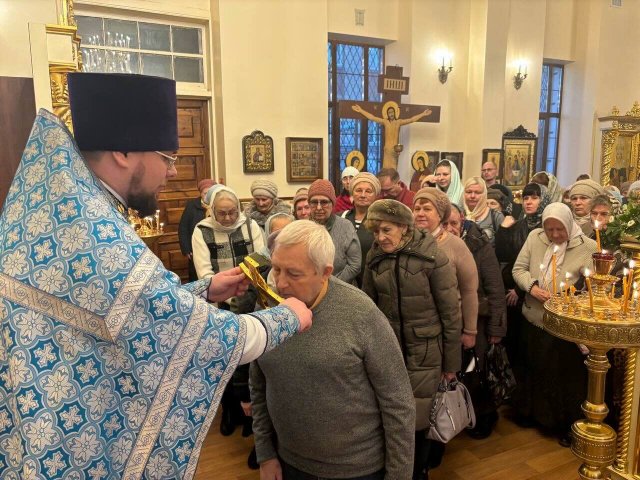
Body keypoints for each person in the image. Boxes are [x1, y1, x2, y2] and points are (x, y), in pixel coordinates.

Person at [0, 72, 312, 478]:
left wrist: (203, 290)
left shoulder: (68, 208)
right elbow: (201, 337)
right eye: (167, 157)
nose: (170, 172)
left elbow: (122, 310)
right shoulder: (95, 229)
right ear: (124, 152)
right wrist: (289, 316)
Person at [251, 220, 415, 480]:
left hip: (356, 470)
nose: (280, 284)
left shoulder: (361, 313)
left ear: (325, 272)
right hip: (289, 462)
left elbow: (398, 403)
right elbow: (259, 384)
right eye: (276, 269)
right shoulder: (268, 307)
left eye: (293, 274)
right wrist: (265, 453)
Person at [362, 199, 461, 479]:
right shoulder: (375, 256)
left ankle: (419, 471)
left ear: (404, 228)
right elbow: (368, 305)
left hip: (425, 350)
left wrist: (451, 363)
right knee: (390, 413)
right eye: (376, 232)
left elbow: (451, 314)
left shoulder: (432, 257)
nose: (380, 238)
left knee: (418, 419)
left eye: (387, 230)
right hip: (388, 349)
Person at [512, 203, 596, 445]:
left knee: (562, 377)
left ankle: (564, 425)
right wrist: (533, 287)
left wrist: (573, 293)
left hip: (564, 324)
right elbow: (519, 269)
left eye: (560, 229)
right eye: (550, 229)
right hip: (535, 317)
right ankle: (532, 415)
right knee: (534, 369)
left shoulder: (587, 246)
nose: (555, 235)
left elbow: (594, 285)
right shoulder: (535, 238)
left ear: (569, 224)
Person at [443, 203, 507, 439]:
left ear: (462, 222)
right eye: (444, 223)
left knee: (476, 371)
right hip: (448, 322)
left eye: (454, 223)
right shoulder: (435, 244)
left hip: (477, 320)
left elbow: (495, 288)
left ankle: (484, 415)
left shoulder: (479, 246)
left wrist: (497, 328)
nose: (449, 228)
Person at [494, 182, 551, 377]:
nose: (528, 202)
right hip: (512, 288)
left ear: (544, 200)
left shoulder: (549, 228)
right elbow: (504, 255)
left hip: (535, 291)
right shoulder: (518, 225)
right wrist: (503, 229)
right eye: (526, 198)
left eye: (534, 198)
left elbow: (541, 264)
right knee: (514, 340)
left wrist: (520, 290)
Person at [412, 188, 479, 349]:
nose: (420, 213)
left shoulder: (455, 245)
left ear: (440, 215)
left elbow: (469, 290)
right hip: (414, 328)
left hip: (447, 327)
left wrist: (470, 331)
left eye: (427, 209)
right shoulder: (406, 242)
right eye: (417, 209)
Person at [192, 184, 265, 280]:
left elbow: (259, 261)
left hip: (249, 287)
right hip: (219, 290)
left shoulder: (250, 225)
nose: (227, 218)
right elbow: (204, 272)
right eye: (221, 213)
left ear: (238, 209)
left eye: (232, 212)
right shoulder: (202, 230)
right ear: (213, 211)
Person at [308, 179, 361, 283]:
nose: (319, 207)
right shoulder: (303, 228)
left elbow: (355, 265)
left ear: (332, 204)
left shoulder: (345, 227)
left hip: (341, 289)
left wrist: (330, 286)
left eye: (324, 202)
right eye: (314, 202)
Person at [352, 102, 432, 169]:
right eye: (389, 112)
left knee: (394, 170)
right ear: (387, 114)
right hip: (387, 150)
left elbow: (411, 119)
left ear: (395, 113)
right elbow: (372, 117)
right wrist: (361, 110)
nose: (391, 114)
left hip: (395, 150)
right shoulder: (385, 122)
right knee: (386, 170)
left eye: (392, 112)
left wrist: (423, 114)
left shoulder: (399, 122)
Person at [340, 172, 380, 287]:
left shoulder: (380, 222)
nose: (363, 195)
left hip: (370, 282)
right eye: (358, 190)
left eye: (368, 191)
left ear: (375, 195)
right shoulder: (341, 217)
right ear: (352, 193)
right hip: (343, 283)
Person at [178, 178, 216, 281]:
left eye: (210, 193)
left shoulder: (218, 204)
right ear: (200, 193)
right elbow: (183, 228)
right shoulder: (192, 205)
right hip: (196, 249)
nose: (207, 196)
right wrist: (186, 249)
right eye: (205, 193)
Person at [463, 177, 505, 246]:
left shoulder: (496, 216)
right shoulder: (459, 214)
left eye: (477, 192)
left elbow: (504, 246)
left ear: (484, 194)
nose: (472, 196)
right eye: (469, 192)